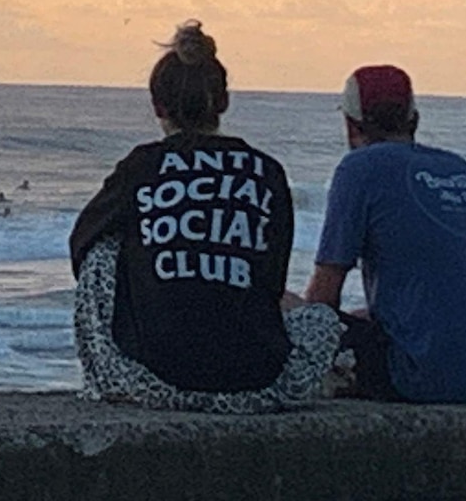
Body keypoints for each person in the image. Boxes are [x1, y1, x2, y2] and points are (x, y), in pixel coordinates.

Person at [68, 20, 340, 413]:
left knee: (102, 248)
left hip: (155, 381)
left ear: (157, 106)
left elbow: (81, 246)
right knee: (322, 323)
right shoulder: (266, 171)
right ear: (224, 102)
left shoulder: (142, 167)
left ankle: (104, 377)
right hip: (257, 385)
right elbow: (271, 277)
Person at [301, 64, 466, 404]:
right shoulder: (457, 167)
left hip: (418, 376)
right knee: (365, 315)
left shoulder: (358, 169)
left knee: (283, 307)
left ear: (350, 124)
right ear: (414, 119)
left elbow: (323, 295)